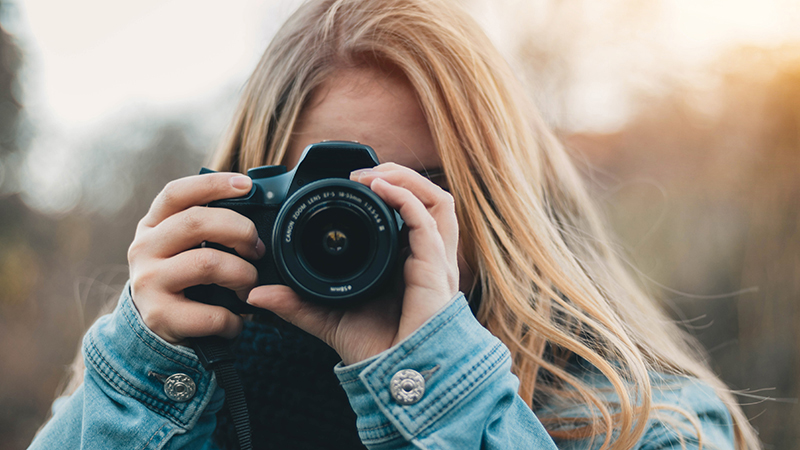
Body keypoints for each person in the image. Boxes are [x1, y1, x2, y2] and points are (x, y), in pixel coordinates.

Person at [29, 0, 761, 449]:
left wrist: (440, 386)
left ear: (500, 203)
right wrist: (137, 376)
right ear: (245, 192)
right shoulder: (174, 382)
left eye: (418, 192)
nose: (361, 227)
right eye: (326, 193)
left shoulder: (643, 421)